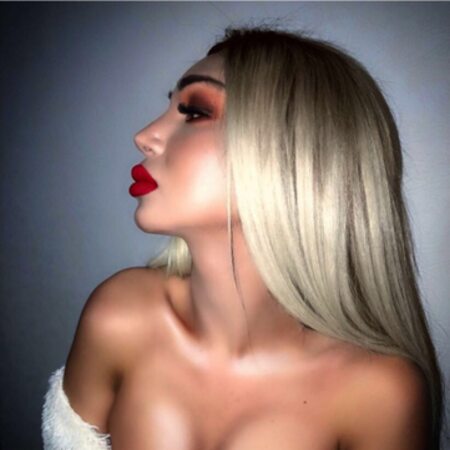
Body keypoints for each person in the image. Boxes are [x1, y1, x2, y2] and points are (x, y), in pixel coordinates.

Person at [42, 25, 444, 449]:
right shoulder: (119, 316)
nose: (145, 136)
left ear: (291, 152)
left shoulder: (380, 393)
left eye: (194, 112)